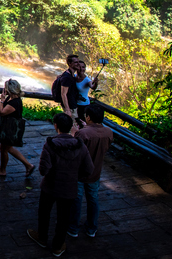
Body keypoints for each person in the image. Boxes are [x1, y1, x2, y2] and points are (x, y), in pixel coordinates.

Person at [27, 113, 94, 257]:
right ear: (70, 127)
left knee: (44, 213)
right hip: (69, 187)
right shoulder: (80, 146)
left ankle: (42, 238)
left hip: (50, 186)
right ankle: (58, 246)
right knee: (64, 218)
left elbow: (43, 169)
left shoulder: (50, 144)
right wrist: (74, 177)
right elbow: (89, 169)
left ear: (55, 126)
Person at [68, 103, 113, 239]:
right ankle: (92, 228)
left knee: (77, 200)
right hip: (96, 172)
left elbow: (74, 151)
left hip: (80, 173)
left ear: (88, 117)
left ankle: (73, 228)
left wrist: (74, 134)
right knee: (93, 200)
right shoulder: (108, 132)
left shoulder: (83, 134)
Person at [0, 79, 35, 178]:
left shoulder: (15, 102)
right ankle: (28, 165)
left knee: (5, 148)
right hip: (8, 127)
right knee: (6, 148)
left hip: (11, 129)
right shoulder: (10, 98)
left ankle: (2, 170)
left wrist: (1, 99)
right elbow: (2, 107)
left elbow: (1, 112)